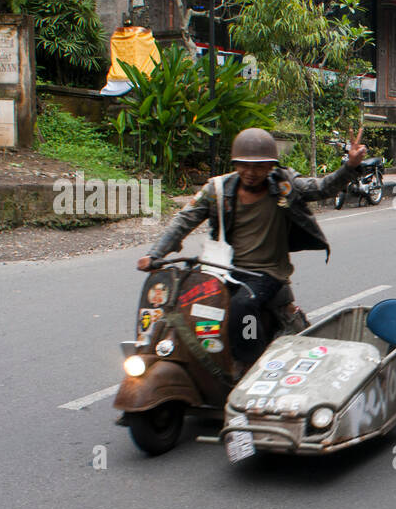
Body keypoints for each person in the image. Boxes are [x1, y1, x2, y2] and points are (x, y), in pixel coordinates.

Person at [137, 127, 367, 369]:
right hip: (221, 268)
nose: (250, 172)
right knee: (185, 300)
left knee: (242, 306)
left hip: (266, 273)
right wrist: (155, 254)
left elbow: (322, 188)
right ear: (235, 163)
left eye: (259, 166)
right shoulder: (217, 190)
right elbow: (183, 220)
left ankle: (249, 362)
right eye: (244, 165)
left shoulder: (285, 186)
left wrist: (349, 167)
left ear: (271, 167)